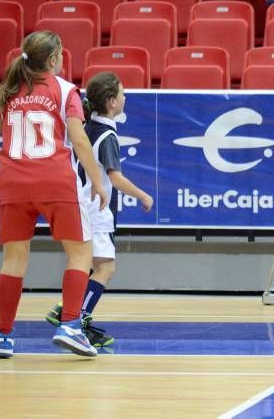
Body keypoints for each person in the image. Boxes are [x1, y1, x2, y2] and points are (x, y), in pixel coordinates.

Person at [0, 31, 108, 359]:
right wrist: (96, 181)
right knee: (81, 253)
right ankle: (69, 326)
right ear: (53, 59)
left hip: (13, 183)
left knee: (13, 260)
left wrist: (2, 174)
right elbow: (79, 141)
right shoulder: (65, 90)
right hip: (55, 180)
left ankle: (3, 336)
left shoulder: (6, 91)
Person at [45, 71, 154, 347]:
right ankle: (76, 320)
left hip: (81, 203)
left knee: (92, 266)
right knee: (106, 268)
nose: (125, 97)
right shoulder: (107, 136)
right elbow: (115, 178)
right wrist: (143, 196)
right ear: (111, 101)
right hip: (96, 206)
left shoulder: (88, 127)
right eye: (123, 93)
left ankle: (68, 312)